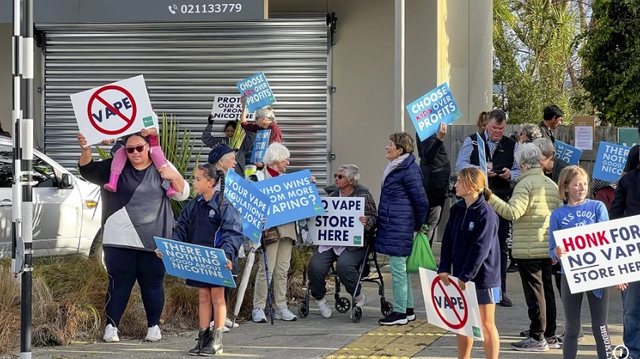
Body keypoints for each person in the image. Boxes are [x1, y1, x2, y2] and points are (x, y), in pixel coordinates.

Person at [77, 132, 189, 343]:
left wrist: (173, 176)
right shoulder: (113, 168)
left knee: (153, 284)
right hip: (119, 239)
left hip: (154, 241)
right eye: (130, 150)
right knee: (119, 283)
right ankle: (111, 327)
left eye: (140, 148)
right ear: (124, 150)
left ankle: (153, 326)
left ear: (149, 147)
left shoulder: (162, 165)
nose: (135, 153)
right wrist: (85, 149)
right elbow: (87, 171)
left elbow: (183, 193)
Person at [486, 143, 561, 351]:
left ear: (522, 164)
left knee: (534, 295)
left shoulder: (524, 184)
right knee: (547, 291)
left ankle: (537, 336)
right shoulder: (550, 184)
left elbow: (512, 212)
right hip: (547, 245)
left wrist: (490, 198)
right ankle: (550, 334)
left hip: (528, 248)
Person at [169, 163, 243, 355]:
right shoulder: (194, 205)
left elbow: (232, 233)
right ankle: (202, 338)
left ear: (210, 182)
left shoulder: (224, 205)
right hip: (199, 260)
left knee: (217, 297)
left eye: (198, 179)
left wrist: (227, 255)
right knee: (203, 296)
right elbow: (181, 227)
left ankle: (217, 341)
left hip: (217, 260)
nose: (194, 182)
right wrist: (171, 247)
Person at [456, 109, 520, 307]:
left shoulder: (512, 145)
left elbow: (519, 171)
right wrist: (482, 172)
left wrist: (510, 174)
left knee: (500, 246)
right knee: (470, 244)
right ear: (486, 125)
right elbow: (460, 165)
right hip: (474, 201)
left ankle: (500, 291)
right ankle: (466, 286)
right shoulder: (472, 141)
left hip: (500, 201)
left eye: (501, 129)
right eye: (494, 128)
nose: (498, 132)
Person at [549, 165, 613, 359]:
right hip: (570, 275)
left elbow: (607, 239)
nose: (582, 188)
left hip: (597, 274)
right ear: (566, 187)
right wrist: (557, 252)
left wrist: (617, 272)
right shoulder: (557, 215)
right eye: (577, 184)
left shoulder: (597, 207)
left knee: (600, 327)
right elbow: (551, 250)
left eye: (584, 184)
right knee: (572, 328)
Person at [438, 167, 501, 359]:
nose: (455, 184)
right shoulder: (457, 209)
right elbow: (447, 240)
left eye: (459, 181)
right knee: (463, 322)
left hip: (484, 277)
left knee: (486, 323)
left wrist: (466, 275)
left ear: (472, 185)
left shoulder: (486, 213)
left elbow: (480, 249)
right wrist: (443, 268)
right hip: (460, 276)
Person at [307, 164, 377, 318]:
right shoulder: (332, 196)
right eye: (335, 176)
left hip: (354, 244)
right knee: (315, 266)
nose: (336, 179)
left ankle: (358, 296)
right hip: (332, 241)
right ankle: (320, 299)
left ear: (351, 180)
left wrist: (367, 221)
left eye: (340, 177)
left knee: (344, 266)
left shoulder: (364, 196)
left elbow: (374, 218)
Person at [374, 132, 428, 326]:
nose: (387, 147)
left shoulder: (408, 170)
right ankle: (408, 309)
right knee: (402, 270)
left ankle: (399, 313)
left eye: (390, 144)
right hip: (395, 224)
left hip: (401, 225)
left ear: (400, 150)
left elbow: (421, 200)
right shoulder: (396, 166)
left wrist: (418, 225)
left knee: (397, 269)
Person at [251, 142, 299, 323]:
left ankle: (281, 306)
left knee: (282, 269)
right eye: (285, 159)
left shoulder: (288, 181)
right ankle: (259, 307)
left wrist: (307, 186)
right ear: (276, 160)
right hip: (269, 229)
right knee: (267, 269)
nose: (287, 163)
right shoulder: (258, 178)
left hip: (287, 227)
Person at [610, 152, 640, 359]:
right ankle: (633, 349)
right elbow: (614, 215)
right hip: (630, 249)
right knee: (631, 306)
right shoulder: (628, 180)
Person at [103, 127, 176, 197]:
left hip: (151, 145)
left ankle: (169, 187)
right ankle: (113, 182)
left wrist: (148, 131)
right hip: (128, 144)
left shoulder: (145, 118)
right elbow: (117, 132)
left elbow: (155, 130)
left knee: (157, 155)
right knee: (120, 153)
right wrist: (111, 139)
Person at [416, 122, 451, 245]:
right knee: (430, 223)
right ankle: (423, 258)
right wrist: (439, 139)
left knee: (431, 222)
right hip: (433, 187)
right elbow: (428, 156)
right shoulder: (426, 131)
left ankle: (424, 256)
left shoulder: (428, 130)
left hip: (436, 186)